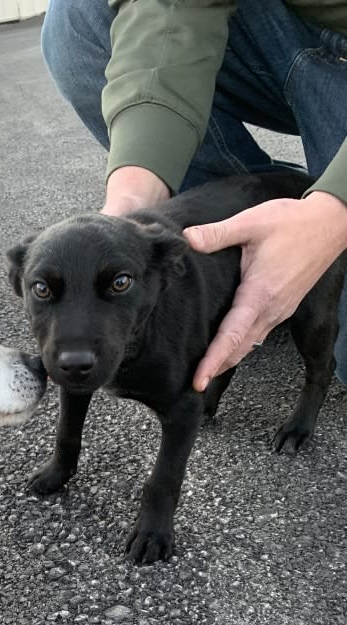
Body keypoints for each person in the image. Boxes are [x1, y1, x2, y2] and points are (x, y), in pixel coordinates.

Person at [40, 0, 347, 392]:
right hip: (295, 25)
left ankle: (300, 232)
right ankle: (257, 234)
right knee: (76, 17)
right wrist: (135, 186)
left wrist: (333, 211)